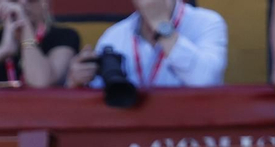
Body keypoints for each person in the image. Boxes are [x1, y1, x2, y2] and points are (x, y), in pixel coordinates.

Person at [65, 0, 227, 90]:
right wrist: (76, 82)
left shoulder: (207, 22)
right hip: (132, 139)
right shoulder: (114, 36)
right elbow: (99, 102)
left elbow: (205, 81)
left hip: (188, 138)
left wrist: (161, 25)